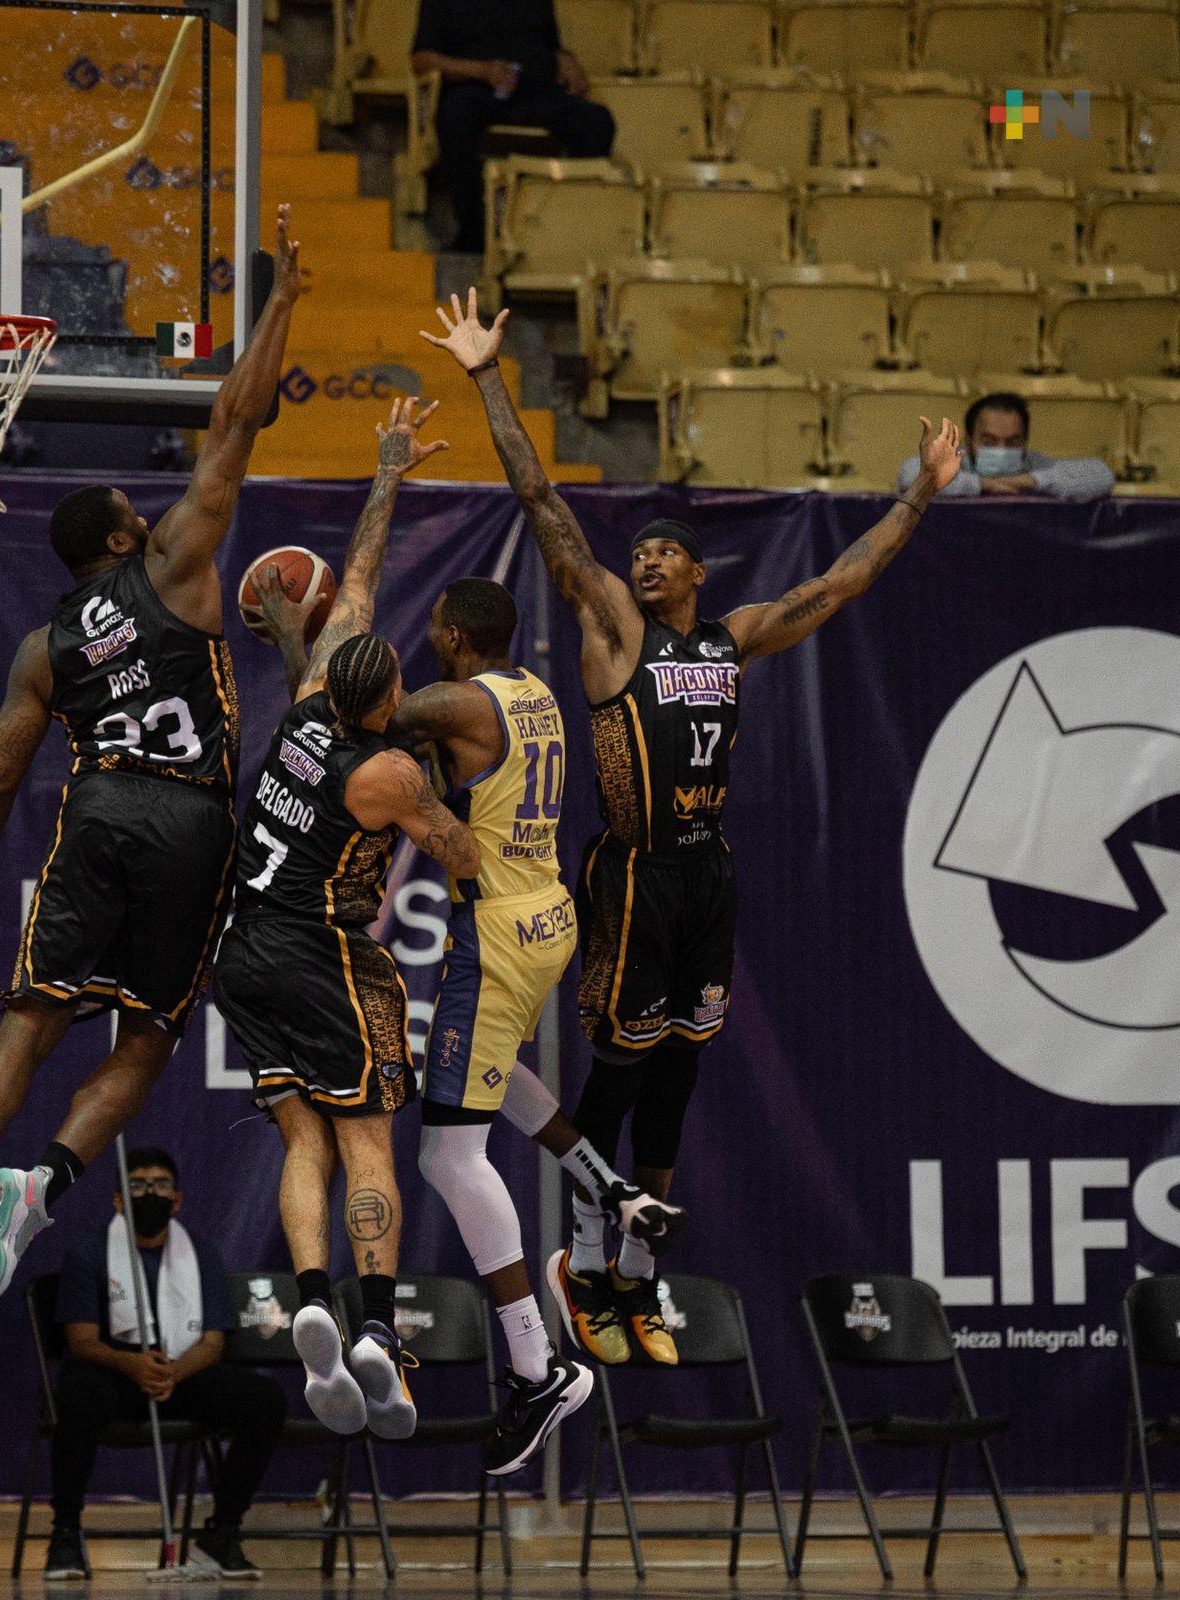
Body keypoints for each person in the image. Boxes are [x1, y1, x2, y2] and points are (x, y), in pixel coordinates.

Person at [424, 289, 964, 1366]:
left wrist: (919, 498)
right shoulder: (614, 634)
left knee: (677, 1073)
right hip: (630, 877)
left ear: (699, 574)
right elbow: (543, 506)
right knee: (619, 1072)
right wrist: (488, 375)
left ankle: (635, 1276)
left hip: (707, 877)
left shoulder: (730, 638)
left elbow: (842, 582)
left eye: (668, 554)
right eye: (645, 554)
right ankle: (584, 1247)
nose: (650, 562)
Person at [0, 206, 302, 1323]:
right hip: (194, 820)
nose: (147, 498)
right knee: (150, 1033)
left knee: (28, 1017)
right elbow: (236, 416)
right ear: (122, 536)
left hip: (99, 806)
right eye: (132, 501)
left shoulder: (44, 647)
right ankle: (45, 1185)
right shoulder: (174, 562)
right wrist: (284, 301)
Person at [256, 570, 685, 1472]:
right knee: (485, 1080)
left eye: (436, 631)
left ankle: (538, 1366)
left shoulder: (450, 703)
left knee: (447, 1154)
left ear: (451, 636)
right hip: (547, 915)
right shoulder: (537, 696)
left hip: (494, 930)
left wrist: (294, 637)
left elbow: (342, 712)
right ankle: (606, 1183)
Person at [212, 398, 479, 1441]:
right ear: (394, 695)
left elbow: (354, 584)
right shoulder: (389, 772)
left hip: (245, 950)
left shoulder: (307, 704)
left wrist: (387, 472)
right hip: (322, 950)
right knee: (369, 1139)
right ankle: (371, 1328)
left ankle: (311, 1301)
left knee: (300, 1136)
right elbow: (463, 858)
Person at [44, 1146, 285, 1583]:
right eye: (137, 1185)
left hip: (182, 1375)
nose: (148, 1193)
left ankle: (222, 1532)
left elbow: (212, 1342)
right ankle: (65, 1535)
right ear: (118, 1199)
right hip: (116, 1375)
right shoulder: (88, 1253)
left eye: (159, 1185)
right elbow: (80, 1341)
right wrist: (133, 1365)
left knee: (262, 1401)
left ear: (177, 1200)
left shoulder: (203, 1254)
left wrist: (173, 1372)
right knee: (76, 1391)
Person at [410, 0, 615, 253]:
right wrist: (481, 70)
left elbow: (550, 45)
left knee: (596, 122)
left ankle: (569, 227)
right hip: (476, 87)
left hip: (536, 89)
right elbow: (421, 59)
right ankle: (474, 231)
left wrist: (565, 60)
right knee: (454, 116)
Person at [896, 391, 1114, 501]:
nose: (1001, 450)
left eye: (1012, 442)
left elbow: (1101, 475)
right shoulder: (958, 456)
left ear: (1025, 441)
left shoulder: (1032, 462)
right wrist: (983, 484)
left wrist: (1029, 480)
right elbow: (909, 475)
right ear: (970, 440)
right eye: (989, 442)